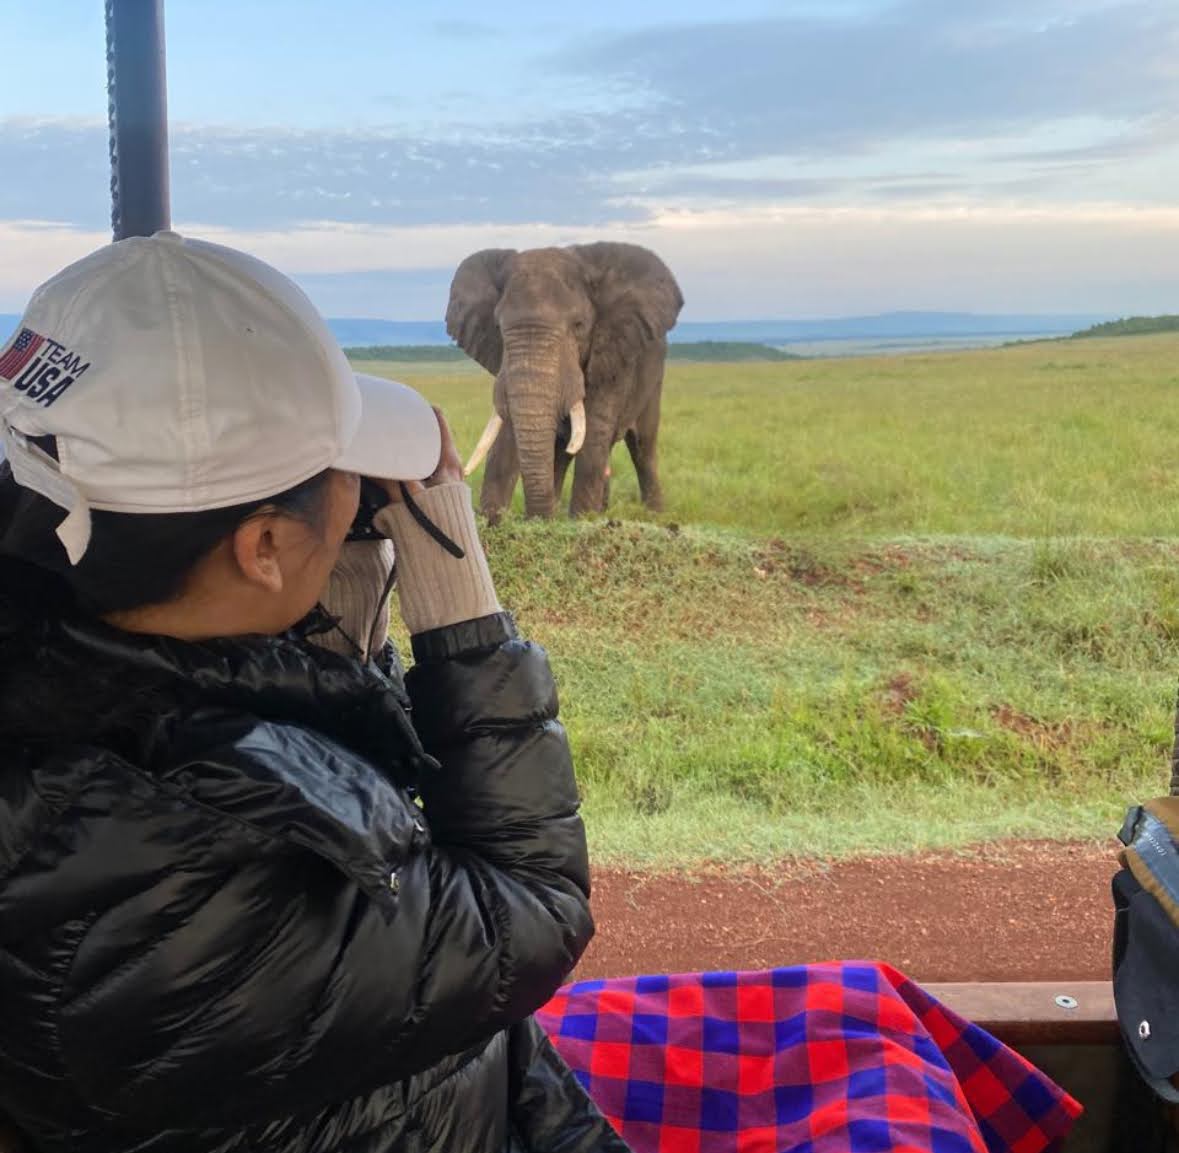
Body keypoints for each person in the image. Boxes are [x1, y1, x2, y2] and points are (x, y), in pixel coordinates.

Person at [0, 232, 628, 1153]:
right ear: (259, 548)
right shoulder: (148, 902)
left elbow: (327, 806)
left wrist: (335, 617)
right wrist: (457, 598)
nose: (361, 490)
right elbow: (530, 903)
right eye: (339, 471)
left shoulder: (84, 673)